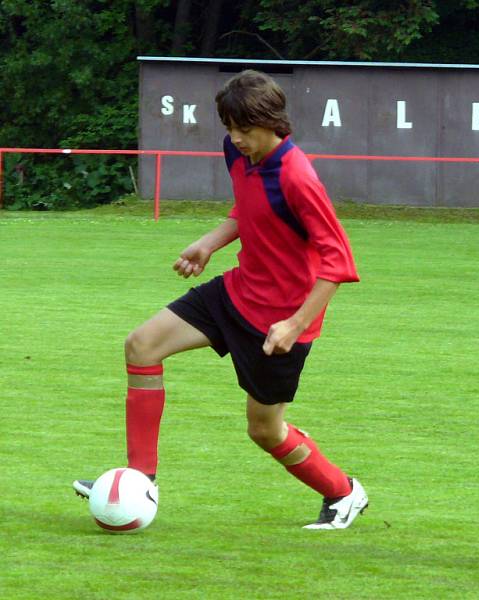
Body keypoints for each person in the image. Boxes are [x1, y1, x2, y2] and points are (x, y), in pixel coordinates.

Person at [73, 70, 368, 530]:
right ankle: (138, 481)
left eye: (245, 130)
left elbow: (339, 264)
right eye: (229, 128)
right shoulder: (238, 152)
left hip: (281, 322)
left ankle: (344, 492)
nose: (236, 139)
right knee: (142, 345)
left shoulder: (297, 177)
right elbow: (248, 211)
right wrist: (210, 242)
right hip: (236, 292)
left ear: (274, 122)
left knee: (265, 430)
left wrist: (294, 324)